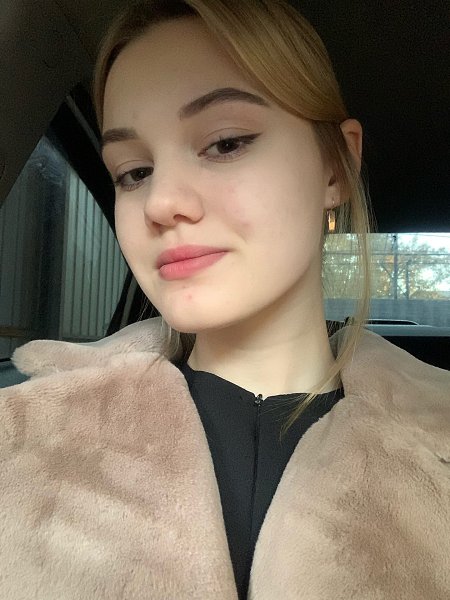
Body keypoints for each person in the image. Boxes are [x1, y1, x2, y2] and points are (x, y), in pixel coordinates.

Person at [1, 1, 449, 599]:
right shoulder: (21, 442)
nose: (161, 202)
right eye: (133, 172)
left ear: (334, 169)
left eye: (226, 142)